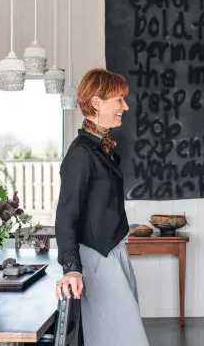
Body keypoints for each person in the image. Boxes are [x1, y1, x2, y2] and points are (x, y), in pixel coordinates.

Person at [54, 68, 149, 346]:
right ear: (97, 103)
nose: (125, 106)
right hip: (98, 260)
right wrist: (71, 267)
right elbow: (66, 216)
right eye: (119, 99)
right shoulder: (82, 154)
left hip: (114, 254)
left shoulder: (100, 148)